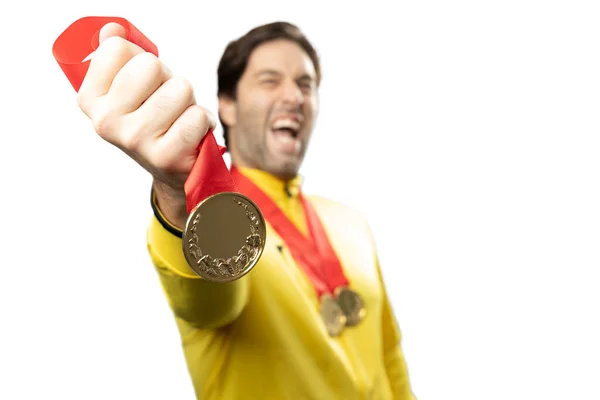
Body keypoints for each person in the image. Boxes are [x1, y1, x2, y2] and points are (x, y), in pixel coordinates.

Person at [77, 20, 415, 400]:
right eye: (270, 81)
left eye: (306, 85)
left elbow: (390, 358)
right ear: (228, 107)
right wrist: (180, 192)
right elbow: (209, 303)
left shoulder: (351, 223)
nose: (295, 97)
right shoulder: (223, 223)